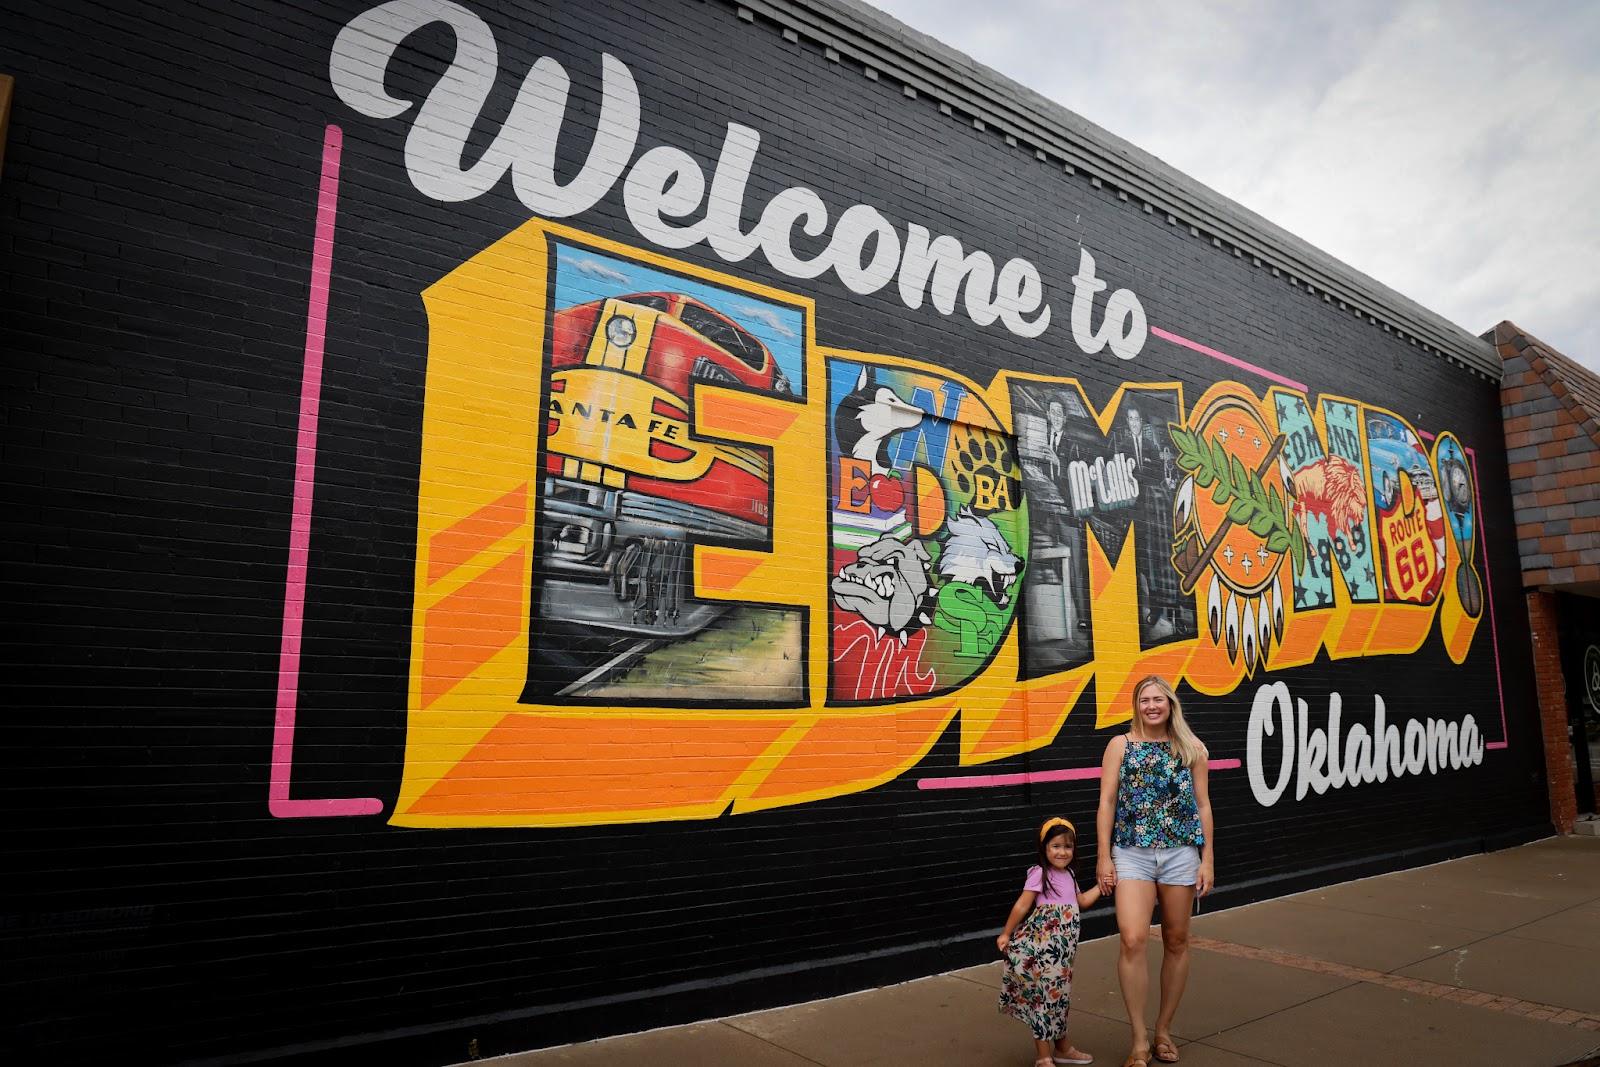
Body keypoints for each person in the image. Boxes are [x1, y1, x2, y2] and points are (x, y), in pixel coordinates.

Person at [1095, 676, 1214, 1066]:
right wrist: (1103, 856)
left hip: (1181, 855)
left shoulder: (1192, 748)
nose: (1151, 706)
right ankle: (1138, 1041)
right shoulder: (1120, 745)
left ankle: (1163, 1030)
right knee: (1132, 939)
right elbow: (1107, 801)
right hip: (1131, 854)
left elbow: (1203, 804)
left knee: (1176, 941)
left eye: (1158, 699)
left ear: (1170, 704)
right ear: (1136, 705)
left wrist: (1207, 859)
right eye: (1144, 699)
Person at [997, 817, 1104, 1067]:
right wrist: (1006, 933)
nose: (1062, 852)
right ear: (1044, 848)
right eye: (1055, 846)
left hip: (1063, 955)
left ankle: (1063, 1048)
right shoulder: (1040, 873)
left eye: (1068, 846)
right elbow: (1022, 905)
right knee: (1044, 998)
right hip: (1043, 951)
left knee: (1059, 997)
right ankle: (1043, 1057)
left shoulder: (1069, 875)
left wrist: (1102, 886)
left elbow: (1082, 902)